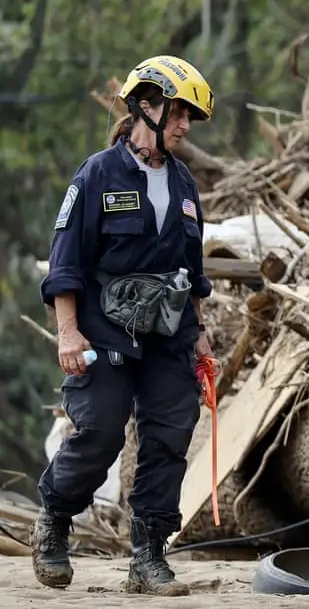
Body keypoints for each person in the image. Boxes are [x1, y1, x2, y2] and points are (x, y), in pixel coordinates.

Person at [33, 55, 216, 596]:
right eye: (179, 113)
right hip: (103, 333)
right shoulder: (96, 175)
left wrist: (200, 334)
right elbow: (64, 263)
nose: (184, 126)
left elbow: (193, 273)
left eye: (189, 117)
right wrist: (68, 333)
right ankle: (55, 518)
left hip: (169, 335)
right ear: (146, 105)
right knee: (102, 431)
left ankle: (148, 557)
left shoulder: (184, 184)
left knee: (168, 438)